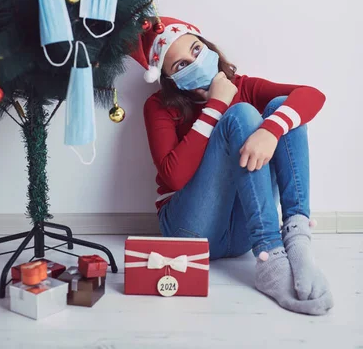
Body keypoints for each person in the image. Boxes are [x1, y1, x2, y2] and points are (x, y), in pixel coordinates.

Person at [131, 16, 334, 315]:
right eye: (180, 65)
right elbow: (173, 177)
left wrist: (270, 130)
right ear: (170, 79)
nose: (195, 62)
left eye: (197, 50)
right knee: (241, 115)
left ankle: (296, 237)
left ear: (209, 47)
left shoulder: (244, 85)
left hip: (240, 234)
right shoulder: (159, 106)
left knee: (283, 108)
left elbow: (312, 95)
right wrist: (216, 106)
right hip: (188, 231)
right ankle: (269, 254)